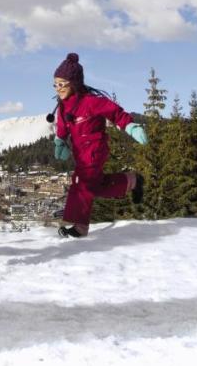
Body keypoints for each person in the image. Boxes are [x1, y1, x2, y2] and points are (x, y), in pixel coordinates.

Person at [51, 53, 148, 237]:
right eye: (55, 84)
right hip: (81, 154)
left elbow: (114, 112)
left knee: (82, 185)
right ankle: (132, 181)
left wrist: (129, 125)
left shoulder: (91, 102)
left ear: (74, 83)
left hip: (95, 151)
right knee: (95, 187)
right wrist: (60, 141)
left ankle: (80, 228)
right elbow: (62, 126)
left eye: (62, 84)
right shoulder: (63, 107)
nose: (58, 88)